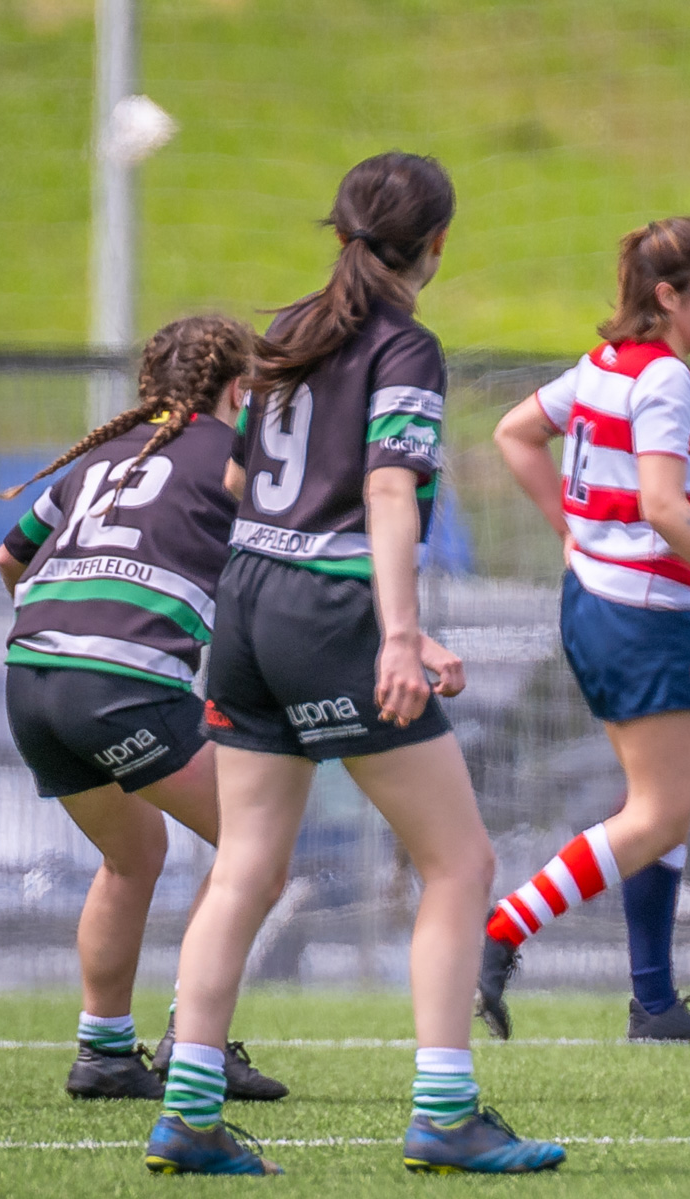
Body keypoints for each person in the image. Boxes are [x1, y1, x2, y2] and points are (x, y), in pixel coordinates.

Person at [142, 152, 564, 1176]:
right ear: (438, 245)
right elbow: (385, 492)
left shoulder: (288, 327)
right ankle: (447, 1110)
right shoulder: (404, 345)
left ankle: (188, 1111)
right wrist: (401, 630)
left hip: (246, 605)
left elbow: (242, 475)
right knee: (459, 862)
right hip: (330, 609)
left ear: (337, 234)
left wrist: (379, 619)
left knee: (244, 865)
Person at [479, 216, 690, 1045]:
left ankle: (655, 1002)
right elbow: (665, 508)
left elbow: (514, 433)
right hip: (638, 614)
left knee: (657, 809)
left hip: (593, 603)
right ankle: (500, 933)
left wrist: (573, 530)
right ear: (667, 297)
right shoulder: (664, 379)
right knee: (661, 816)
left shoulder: (605, 366)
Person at [0, 315, 285, 1105]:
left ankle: (104, 1053)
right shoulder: (236, 459)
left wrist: (71, 628)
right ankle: (197, 1041)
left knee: (134, 855)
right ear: (238, 388)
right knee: (256, 841)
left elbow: (9, 557)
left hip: (31, 681)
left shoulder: (102, 458)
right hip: (120, 685)